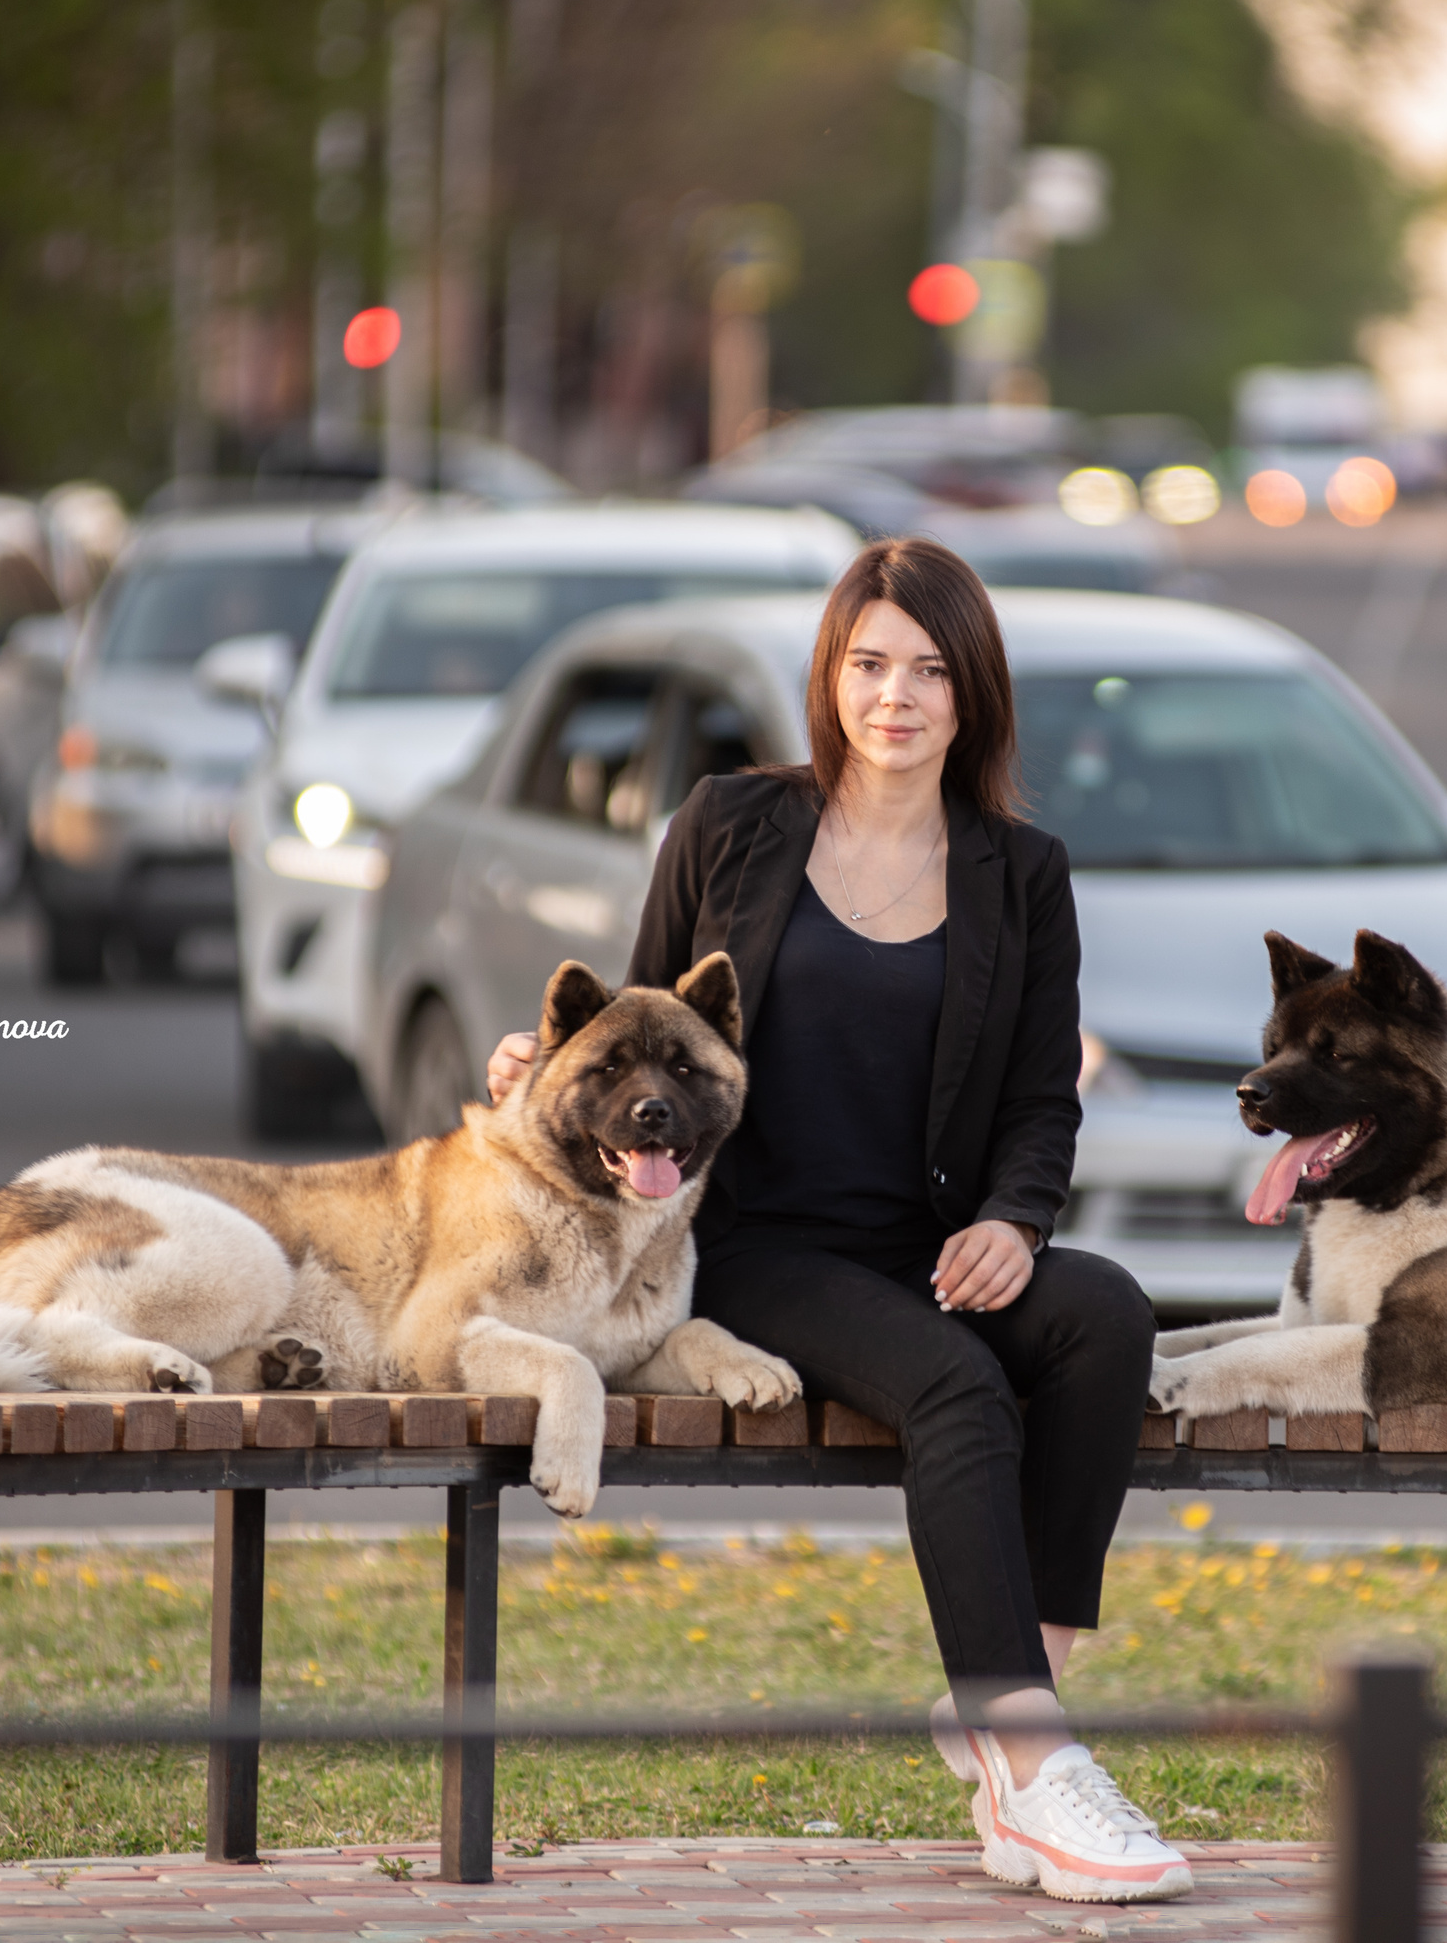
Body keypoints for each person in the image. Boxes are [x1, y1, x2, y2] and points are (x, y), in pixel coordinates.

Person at [486, 539, 1188, 1904]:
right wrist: (542, 1060)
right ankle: (1032, 1754)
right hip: (756, 1248)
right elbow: (640, 1028)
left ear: (972, 692)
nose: (895, 697)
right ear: (830, 674)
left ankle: (1016, 1709)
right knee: (958, 1387)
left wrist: (1017, 1223)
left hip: (929, 1249)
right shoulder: (729, 824)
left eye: (929, 671)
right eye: (869, 664)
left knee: (1105, 1312)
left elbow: (1041, 1100)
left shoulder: (1022, 873)